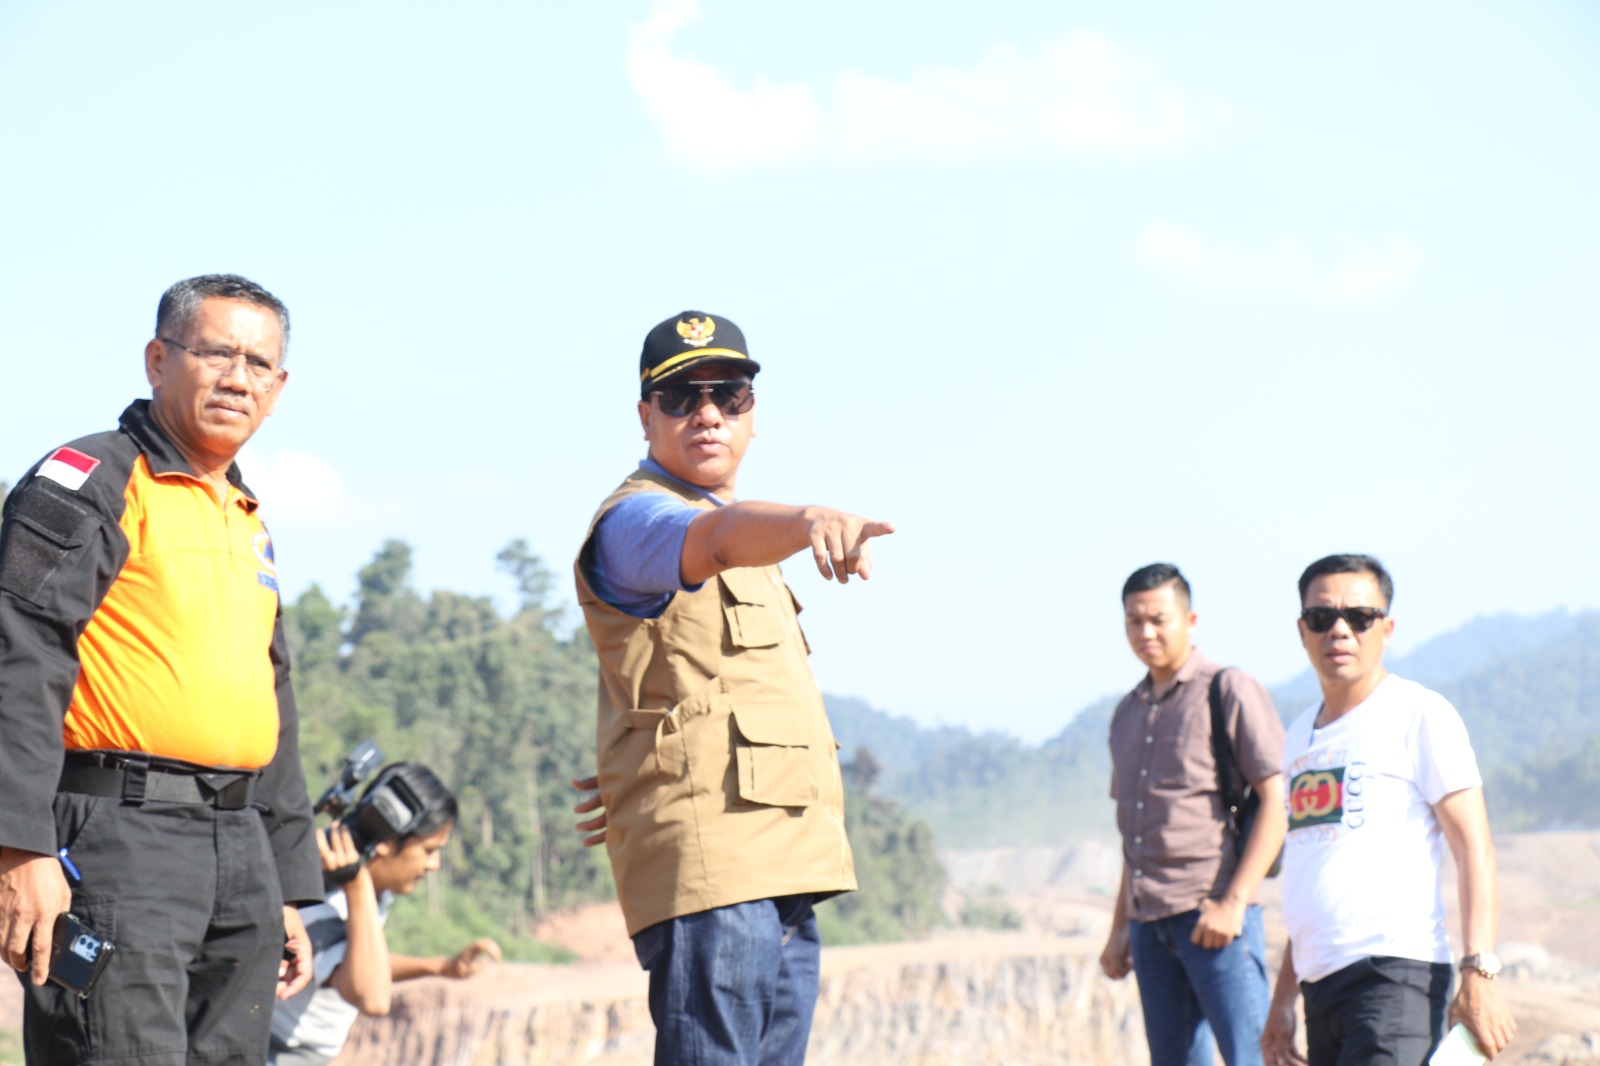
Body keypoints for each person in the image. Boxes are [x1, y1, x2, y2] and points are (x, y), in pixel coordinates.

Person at [0, 274, 322, 1064]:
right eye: (215, 352)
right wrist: (19, 845)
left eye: (259, 363)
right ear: (156, 359)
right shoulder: (91, 479)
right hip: (117, 842)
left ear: (280, 389)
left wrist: (284, 882)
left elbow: (267, 700)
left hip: (238, 848)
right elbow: (20, 648)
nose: (237, 377)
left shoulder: (246, 519)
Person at [572, 310, 894, 1064]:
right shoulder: (637, 519)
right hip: (718, 873)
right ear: (645, 416)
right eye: (682, 396)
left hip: (782, 863)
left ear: (754, 414)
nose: (708, 412)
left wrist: (635, 769)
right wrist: (811, 516)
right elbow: (710, 542)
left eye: (729, 393)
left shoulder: (749, 537)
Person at [1262, 554, 1517, 1065]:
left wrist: (1479, 972)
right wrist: (1283, 998)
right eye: (1322, 617)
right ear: (1302, 630)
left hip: (1394, 977)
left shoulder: (1418, 714)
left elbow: (1474, 848)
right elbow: (1314, 874)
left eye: (1359, 617)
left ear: (1387, 628)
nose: (1339, 630)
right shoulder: (1296, 738)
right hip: (1321, 987)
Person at [1101, 563, 1288, 1066]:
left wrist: (1233, 903)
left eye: (1158, 619)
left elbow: (1277, 798)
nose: (1146, 632)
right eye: (1133, 621)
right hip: (1149, 927)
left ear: (1191, 620)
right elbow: (1134, 835)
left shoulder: (1226, 691)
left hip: (1213, 915)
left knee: (1252, 1056)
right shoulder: (1126, 713)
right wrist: (1120, 927)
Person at [268, 763, 501, 1066]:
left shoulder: (372, 891)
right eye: (429, 850)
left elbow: (360, 958)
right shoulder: (322, 900)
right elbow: (371, 996)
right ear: (387, 843)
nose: (434, 865)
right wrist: (357, 883)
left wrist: (440, 967)